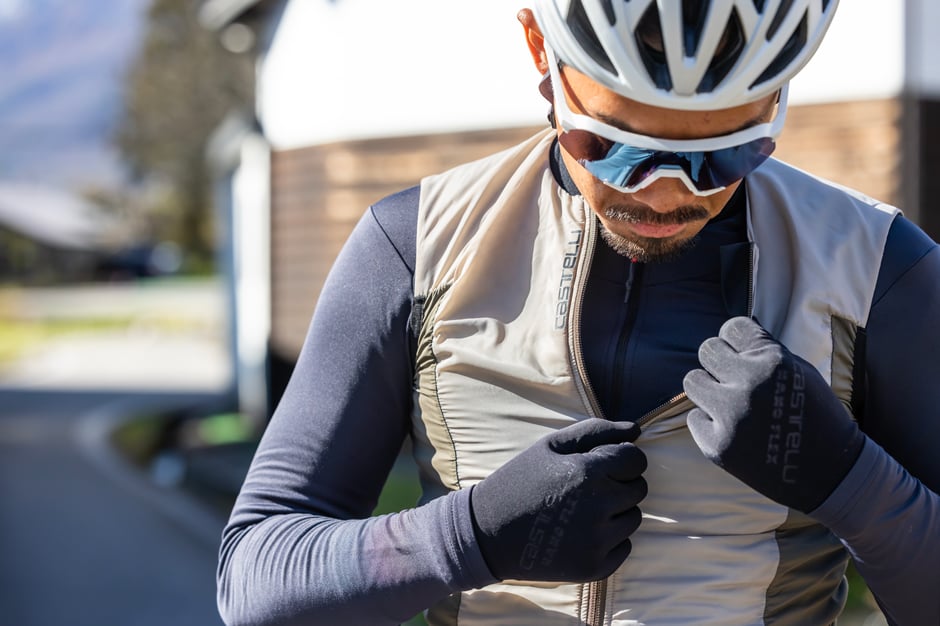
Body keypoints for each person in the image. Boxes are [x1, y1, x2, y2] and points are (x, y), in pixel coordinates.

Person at [217, 1, 940, 624]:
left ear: (779, 93)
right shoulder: (415, 248)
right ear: (540, 50)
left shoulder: (881, 269)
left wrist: (849, 480)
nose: (663, 194)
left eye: (721, 154)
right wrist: (470, 539)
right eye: (616, 146)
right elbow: (255, 582)